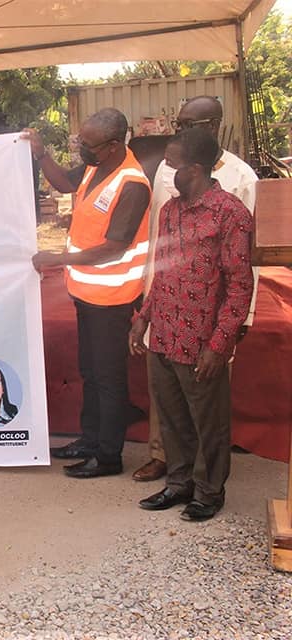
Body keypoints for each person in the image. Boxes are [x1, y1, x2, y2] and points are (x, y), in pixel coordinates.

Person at [132, 95, 260, 483]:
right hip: (166, 320)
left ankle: (207, 488)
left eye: (190, 124)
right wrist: (144, 316)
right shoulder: (172, 202)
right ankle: (175, 475)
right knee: (169, 409)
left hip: (207, 323)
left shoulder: (238, 190)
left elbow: (242, 274)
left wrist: (229, 333)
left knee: (206, 410)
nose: (169, 171)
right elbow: (163, 259)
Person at [23, 108, 151, 479]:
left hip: (112, 299)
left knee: (108, 379)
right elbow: (64, 184)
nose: (81, 149)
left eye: (87, 144)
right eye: (80, 141)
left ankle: (108, 456)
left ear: (113, 146)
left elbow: (113, 247)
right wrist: (41, 152)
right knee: (91, 372)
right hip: (86, 294)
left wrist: (58, 258)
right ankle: (89, 440)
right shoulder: (99, 168)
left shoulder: (131, 185)